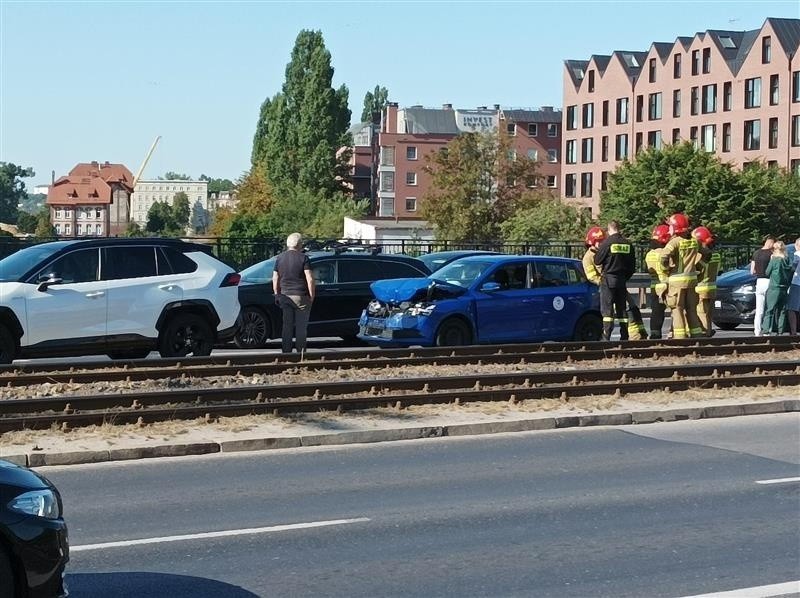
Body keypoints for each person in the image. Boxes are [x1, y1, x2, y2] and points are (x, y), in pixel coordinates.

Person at [660, 213, 704, 339]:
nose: (669, 229)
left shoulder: (674, 242)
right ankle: (697, 337)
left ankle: (680, 339)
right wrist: (698, 267)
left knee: (677, 309)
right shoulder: (695, 242)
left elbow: (663, 257)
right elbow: (707, 254)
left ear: (675, 228)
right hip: (691, 281)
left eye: (670, 226)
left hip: (676, 282)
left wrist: (666, 269)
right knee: (691, 310)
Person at [272, 232, 316, 354]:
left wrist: (276, 293)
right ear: (300, 244)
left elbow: (275, 278)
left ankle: (286, 353)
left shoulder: (279, 258)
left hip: (285, 296)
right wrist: (312, 295)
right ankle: (301, 353)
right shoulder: (304, 258)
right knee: (301, 328)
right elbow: (310, 278)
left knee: (287, 326)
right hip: (301, 296)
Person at [594, 220, 636, 341]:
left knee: (607, 310)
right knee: (621, 310)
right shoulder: (628, 244)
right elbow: (632, 267)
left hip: (608, 280)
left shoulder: (607, 243)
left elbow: (597, 260)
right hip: (622, 280)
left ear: (609, 229)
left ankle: (606, 336)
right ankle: (624, 335)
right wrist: (624, 277)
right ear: (619, 228)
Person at [692, 226, 720, 337]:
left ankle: (705, 333)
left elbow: (696, 271)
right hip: (712, 288)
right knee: (709, 314)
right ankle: (709, 330)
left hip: (700, 289)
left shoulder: (699, 257)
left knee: (702, 313)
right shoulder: (717, 256)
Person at [644, 224, 671, 339]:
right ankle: (673, 332)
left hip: (655, 286)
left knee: (656, 312)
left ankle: (655, 333)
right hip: (667, 285)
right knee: (676, 310)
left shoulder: (649, 254)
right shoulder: (665, 253)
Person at [762, 240, 794, 335]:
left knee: (770, 310)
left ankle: (766, 331)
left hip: (774, 287)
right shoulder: (787, 260)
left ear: (775, 249)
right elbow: (791, 270)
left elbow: (767, 272)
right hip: (784, 288)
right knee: (782, 311)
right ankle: (780, 331)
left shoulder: (774, 260)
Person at [750, 235, 775, 336]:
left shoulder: (756, 253)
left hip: (759, 281)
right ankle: (766, 331)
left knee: (759, 309)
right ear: (771, 243)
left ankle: (757, 331)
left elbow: (752, 271)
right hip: (769, 281)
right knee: (768, 308)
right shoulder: (772, 254)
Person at [788, 238, 800, 336]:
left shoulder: (797, 255)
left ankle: (793, 331)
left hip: (797, 283)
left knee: (792, 308)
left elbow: (793, 268)